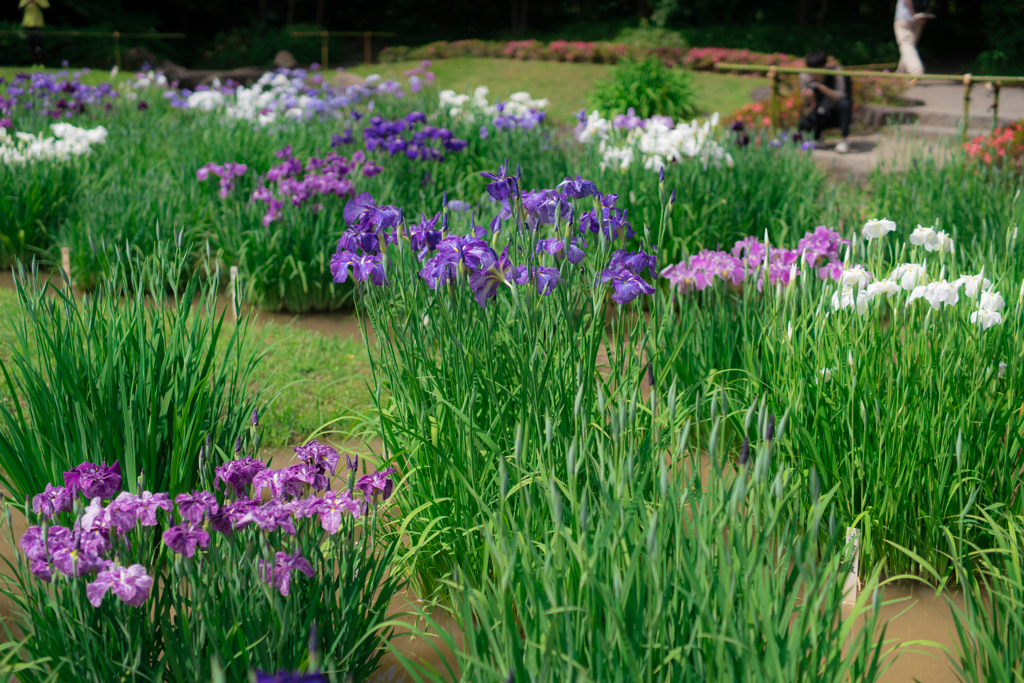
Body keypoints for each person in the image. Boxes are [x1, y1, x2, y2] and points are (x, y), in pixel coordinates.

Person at [797, 49, 852, 154]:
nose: (813, 74)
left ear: (823, 66)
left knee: (845, 104)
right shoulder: (805, 76)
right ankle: (818, 137)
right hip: (820, 112)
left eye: (816, 70)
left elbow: (842, 95)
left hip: (836, 112)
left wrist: (820, 87)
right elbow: (806, 105)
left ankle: (844, 139)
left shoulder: (835, 72)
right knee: (803, 122)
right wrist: (808, 97)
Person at [894, 0, 927, 79]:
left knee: (906, 44)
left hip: (905, 17)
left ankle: (916, 71)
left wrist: (913, 14)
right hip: (920, 18)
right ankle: (901, 73)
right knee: (909, 47)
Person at [19, 0, 49, 65]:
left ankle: (42, 63)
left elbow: (46, 10)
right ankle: (34, 63)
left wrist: (36, 3)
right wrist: (27, 3)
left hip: (38, 24)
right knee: (31, 43)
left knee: (39, 43)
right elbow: (20, 10)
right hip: (27, 24)